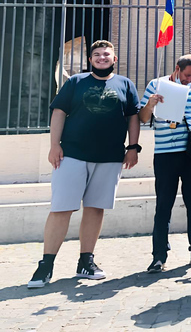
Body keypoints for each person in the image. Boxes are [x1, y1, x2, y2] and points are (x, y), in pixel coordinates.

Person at [29, 40, 141, 289]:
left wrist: (133, 147)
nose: (102, 58)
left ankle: (86, 261)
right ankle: (46, 265)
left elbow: (133, 117)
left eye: (106, 54)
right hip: (72, 154)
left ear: (114, 59)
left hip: (110, 157)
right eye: (97, 54)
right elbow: (59, 112)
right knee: (61, 208)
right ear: (91, 60)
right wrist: (54, 145)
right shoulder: (75, 82)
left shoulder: (125, 84)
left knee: (95, 208)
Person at [139, 54, 191, 273]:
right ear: (177, 69)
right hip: (165, 154)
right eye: (187, 75)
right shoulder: (156, 84)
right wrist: (151, 104)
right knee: (163, 205)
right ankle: (159, 256)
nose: (190, 79)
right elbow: (142, 118)